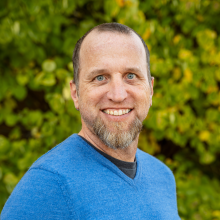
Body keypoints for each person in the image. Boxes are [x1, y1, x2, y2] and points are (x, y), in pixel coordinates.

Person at [1, 23, 180, 219]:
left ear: (150, 89)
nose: (118, 95)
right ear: (75, 93)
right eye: (100, 77)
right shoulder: (48, 185)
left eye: (131, 76)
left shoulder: (162, 177)